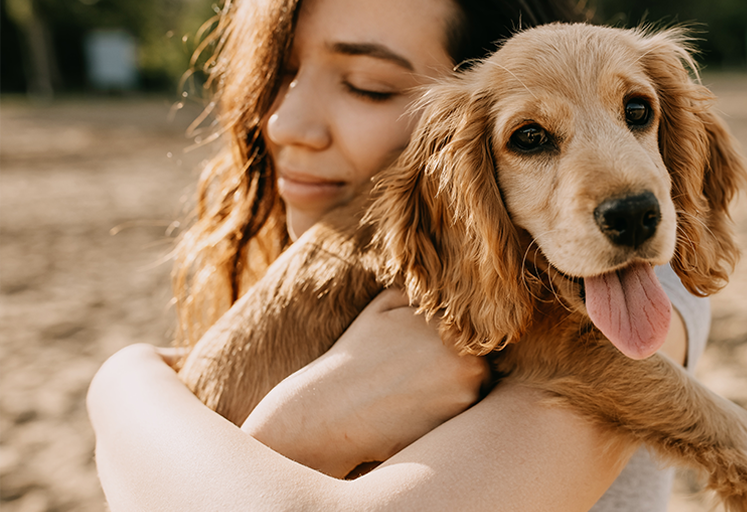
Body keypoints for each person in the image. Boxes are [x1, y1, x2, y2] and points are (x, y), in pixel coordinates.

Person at [86, 0, 712, 510]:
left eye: (368, 86)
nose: (284, 123)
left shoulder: (637, 290)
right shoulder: (299, 272)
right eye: (279, 75)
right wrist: (300, 426)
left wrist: (127, 392)